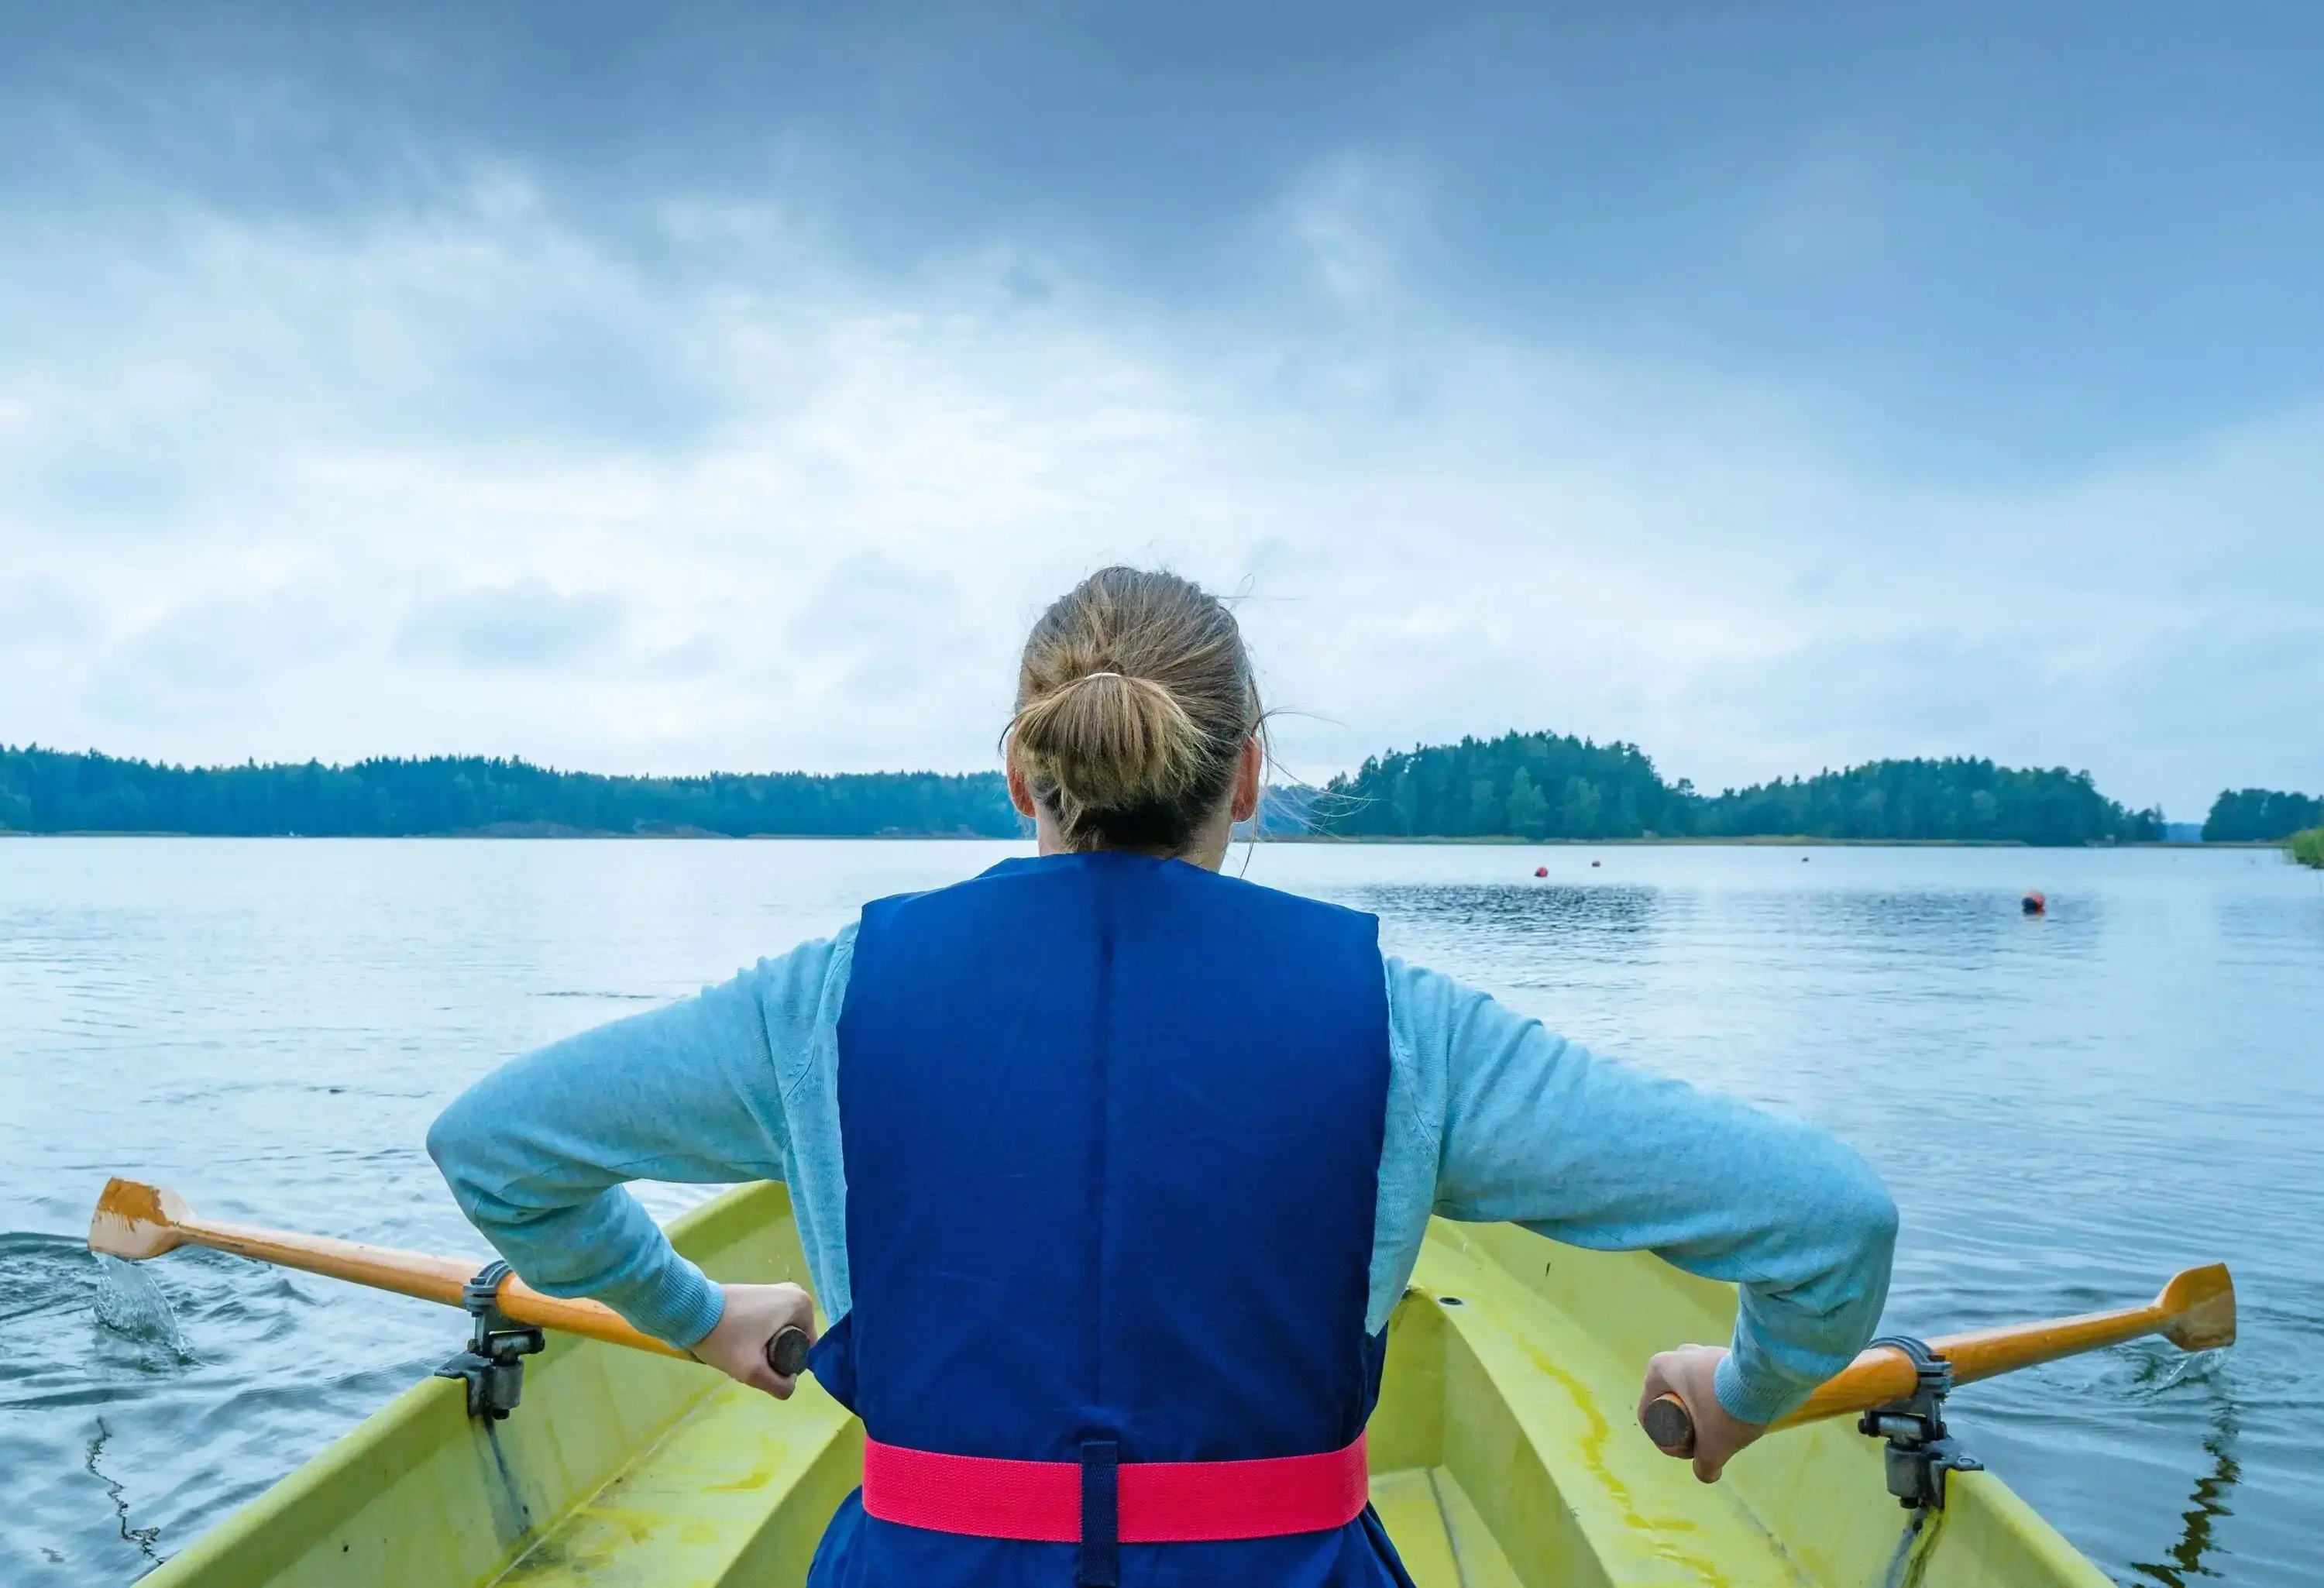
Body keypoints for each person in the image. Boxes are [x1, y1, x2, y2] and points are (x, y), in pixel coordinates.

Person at [428, 565, 1898, 1587]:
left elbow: (497, 1146)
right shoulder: (1406, 1028)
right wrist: (1742, 1390)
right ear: (1247, 778)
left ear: (1021, 774)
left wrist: (694, 1315)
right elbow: (1829, 1224)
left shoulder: (821, 1004)